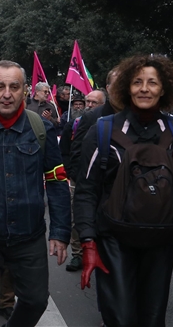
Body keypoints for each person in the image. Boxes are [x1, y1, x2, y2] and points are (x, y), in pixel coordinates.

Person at [74, 54, 173, 327]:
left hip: (162, 240)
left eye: (152, 83)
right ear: (125, 88)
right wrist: (87, 241)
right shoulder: (102, 130)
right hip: (114, 239)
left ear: (164, 88)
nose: (144, 88)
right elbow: (86, 189)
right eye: (137, 82)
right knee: (120, 319)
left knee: (152, 319)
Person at [0, 60, 70, 327]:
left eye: (14, 86)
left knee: (35, 300)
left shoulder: (41, 129)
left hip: (28, 236)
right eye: (0, 86)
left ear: (25, 91)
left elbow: (56, 181)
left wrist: (60, 231)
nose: (6, 93)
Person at [61, 89, 106, 273]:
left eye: (94, 102)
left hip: (101, 181)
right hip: (78, 178)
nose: (89, 105)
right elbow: (65, 149)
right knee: (76, 216)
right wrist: (71, 171)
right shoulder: (74, 124)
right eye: (87, 101)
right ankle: (78, 254)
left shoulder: (111, 125)